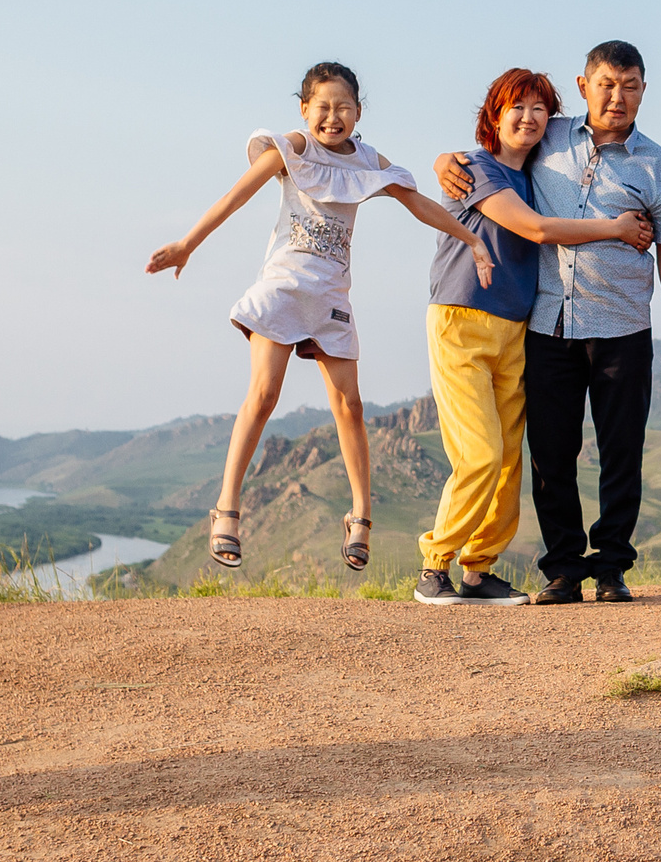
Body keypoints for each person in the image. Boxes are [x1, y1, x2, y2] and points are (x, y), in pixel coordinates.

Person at [148, 62, 490, 574]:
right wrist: (187, 244)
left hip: (331, 298)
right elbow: (236, 195)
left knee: (349, 405)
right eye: (322, 107)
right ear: (305, 110)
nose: (333, 117)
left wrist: (472, 240)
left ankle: (360, 518)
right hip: (283, 289)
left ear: (359, 111)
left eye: (343, 107)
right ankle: (227, 512)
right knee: (263, 396)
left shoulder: (369, 160)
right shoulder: (294, 148)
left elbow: (417, 203)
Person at [437, 41, 661, 605]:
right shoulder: (549, 133)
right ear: (583, 86)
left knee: (622, 451)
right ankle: (564, 570)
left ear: (644, 90)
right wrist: (443, 159)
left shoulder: (657, 165)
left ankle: (613, 567)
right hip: (547, 323)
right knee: (551, 455)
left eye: (629, 86)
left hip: (622, 324)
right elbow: (494, 149)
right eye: (605, 83)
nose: (616, 97)